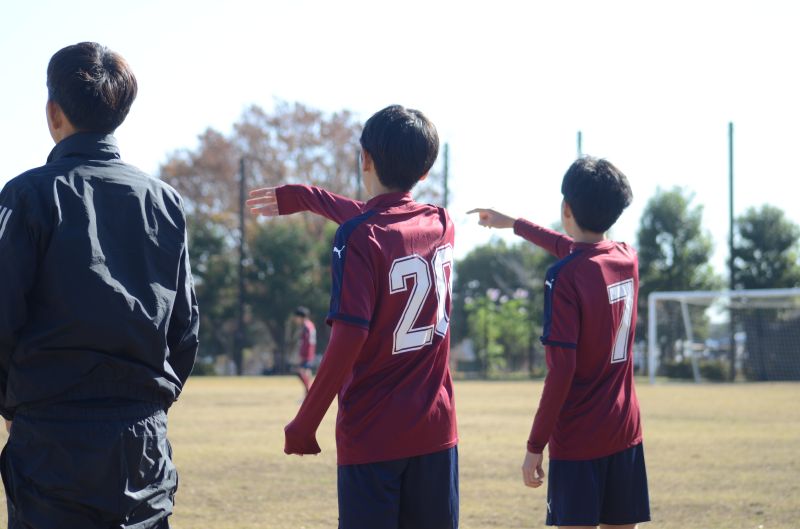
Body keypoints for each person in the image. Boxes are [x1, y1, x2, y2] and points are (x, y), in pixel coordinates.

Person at [0, 42, 198, 528]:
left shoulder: (27, 195)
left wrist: (13, 403)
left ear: (53, 111)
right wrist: (148, 403)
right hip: (141, 437)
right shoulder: (165, 201)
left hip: (51, 434)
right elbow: (185, 328)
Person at [248, 104, 458, 529]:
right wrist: (308, 197)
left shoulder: (358, 236)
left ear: (365, 159)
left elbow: (348, 339)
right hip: (436, 431)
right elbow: (387, 218)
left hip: (373, 433)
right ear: (425, 172)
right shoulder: (442, 223)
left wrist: (306, 421)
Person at [469, 157, 650, 529]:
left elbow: (562, 370)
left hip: (579, 439)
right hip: (625, 430)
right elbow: (575, 248)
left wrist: (535, 446)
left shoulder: (565, 276)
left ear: (566, 208)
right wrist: (514, 223)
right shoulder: (627, 257)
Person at [293, 306, 317, 395]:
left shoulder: (306, 327)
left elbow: (307, 342)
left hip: (307, 353)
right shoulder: (310, 325)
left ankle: (308, 392)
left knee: (301, 372)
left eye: (296, 317)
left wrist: (302, 355)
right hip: (310, 353)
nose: (296, 319)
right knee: (307, 373)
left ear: (300, 317)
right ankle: (307, 393)